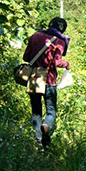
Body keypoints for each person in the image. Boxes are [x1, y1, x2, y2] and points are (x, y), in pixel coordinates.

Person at [23, 17, 71, 146]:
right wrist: (66, 64)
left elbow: (25, 57)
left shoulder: (35, 36)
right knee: (51, 111)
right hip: (49, 79)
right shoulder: (60, 41)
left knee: (36, 111)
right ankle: (46, 126)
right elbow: (56, 62)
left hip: (35, 78)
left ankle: (39, 142)